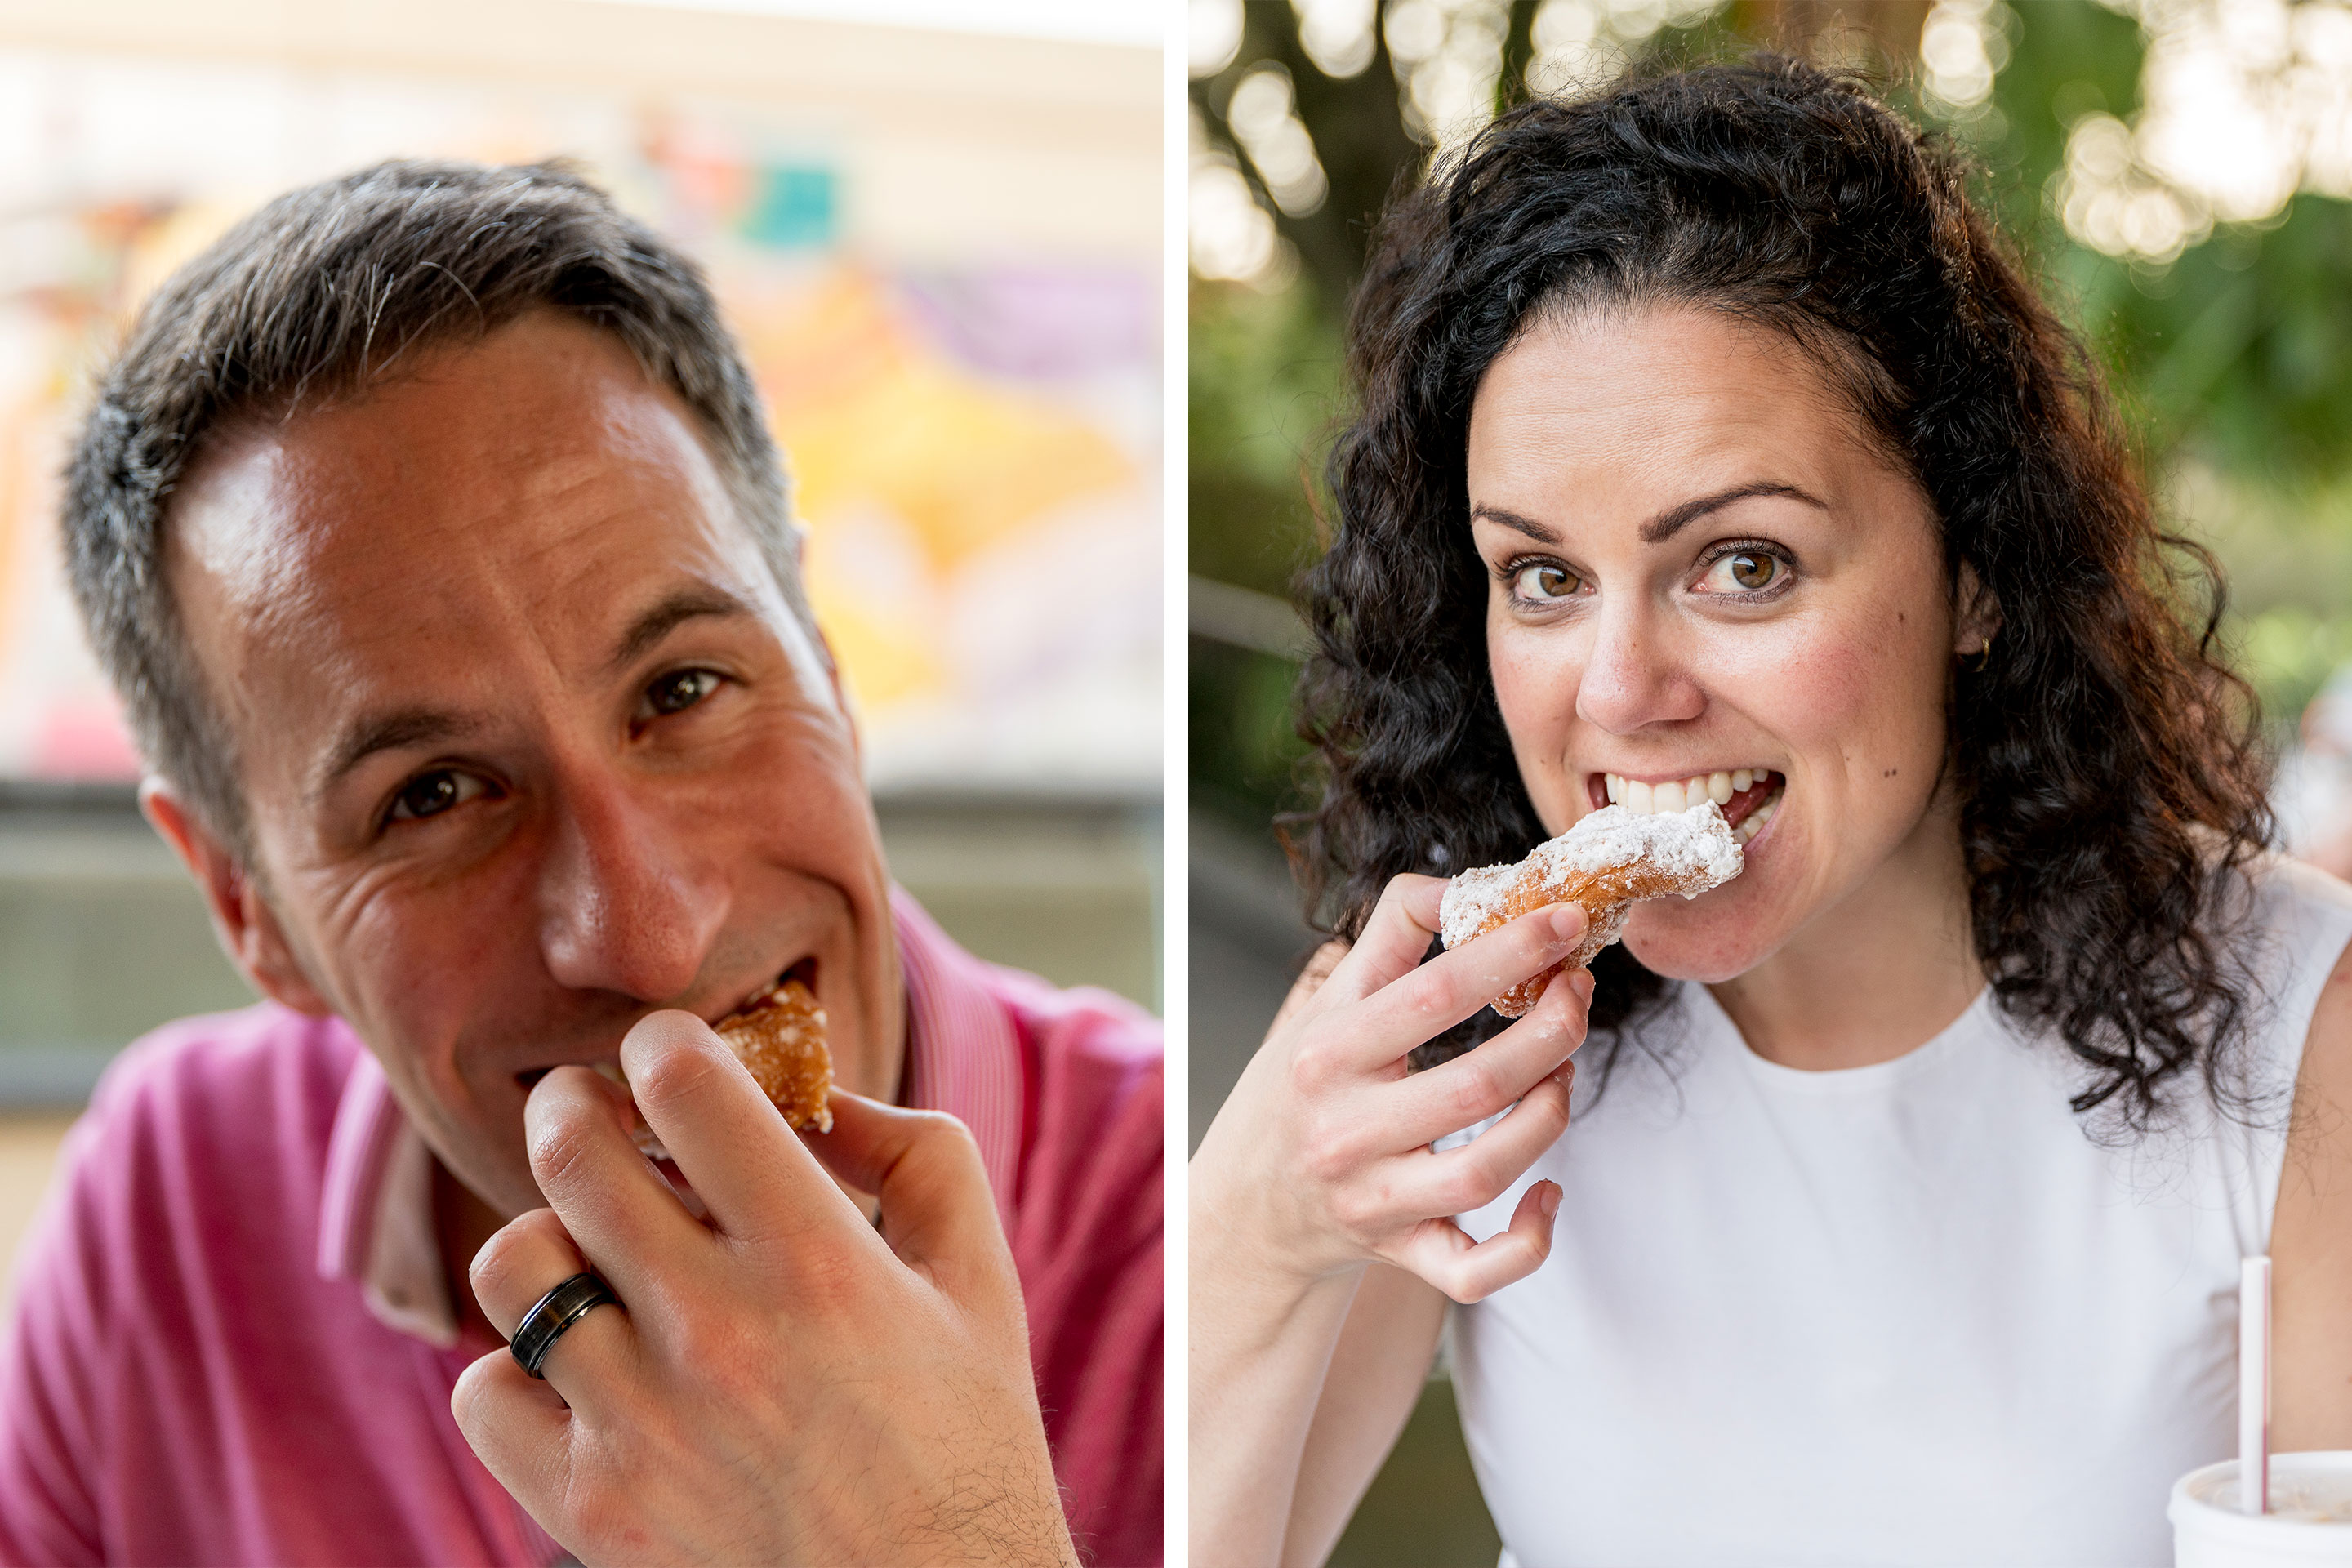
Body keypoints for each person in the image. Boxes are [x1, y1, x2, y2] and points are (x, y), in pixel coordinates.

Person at [1191, 56, 2352, 1566]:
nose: (1617, 691)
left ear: (1977, 572)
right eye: (1543, 577)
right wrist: (1265, 1218)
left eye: (1744, 564)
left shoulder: (2295, 1024)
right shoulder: (1426, 1047)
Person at [0, 162, 1161, 1567]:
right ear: (251, 912)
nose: (651, 940)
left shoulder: (1194, 1229)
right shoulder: (168, 1210)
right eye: (430, 795)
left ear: (832, 667)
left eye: (683, 690)